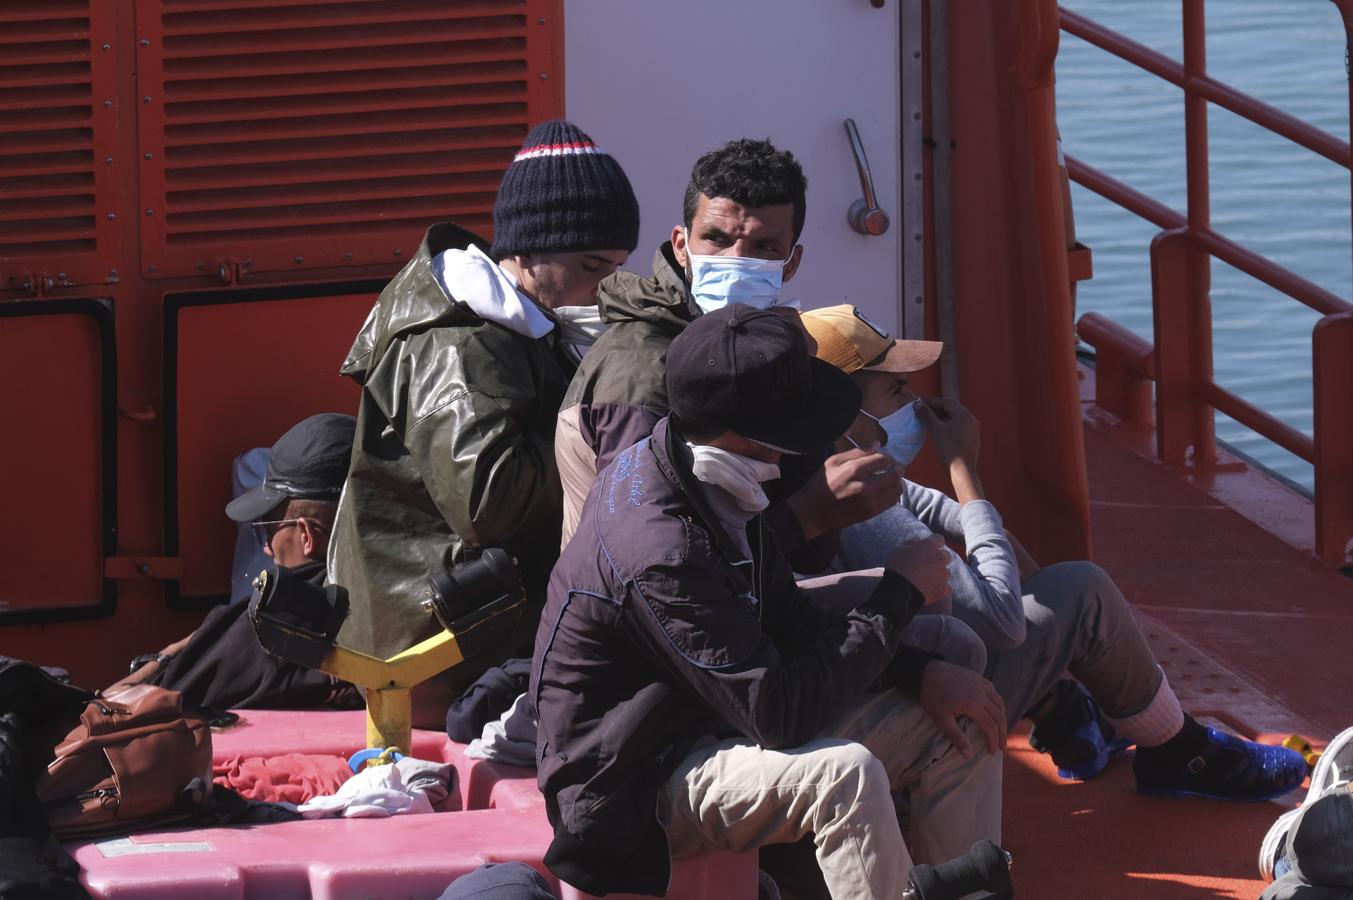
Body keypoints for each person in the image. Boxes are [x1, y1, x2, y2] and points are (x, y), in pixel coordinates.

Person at [532, 305, 1003, 899]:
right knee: (844, 776)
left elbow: (787, 619)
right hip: (632, 783)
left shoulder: (697, 471)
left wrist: (922, 671)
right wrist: (899, 594)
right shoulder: (663, 549)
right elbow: (779, 714)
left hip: (704, 714)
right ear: (748, 436)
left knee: (966, 713)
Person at [801, 303, 1309, 801]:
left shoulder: (833, 470)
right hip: (908, 697)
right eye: (896, 387)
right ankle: (1179, 752)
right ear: (843, 404)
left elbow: (957, 521)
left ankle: (1071, 714)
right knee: (1083, 591)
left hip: (889, 671)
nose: (914, 399)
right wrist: (965, 471)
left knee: (1038, 587)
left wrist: (1051, 626)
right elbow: (1003, 622)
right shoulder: (867, 513)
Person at [326, 120, 640, 719]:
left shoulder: (526, 327)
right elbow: (491, 502)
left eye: (618, 268)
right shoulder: (457, 343)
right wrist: (615, 433)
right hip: (435, 645)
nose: (607, 290)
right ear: (524, 253)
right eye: (592, 265)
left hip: (472, 619)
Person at [554, 138, 900, 562]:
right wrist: (808, 516)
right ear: (682, 246)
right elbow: (654, 558)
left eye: (764, 247)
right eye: (716, 239)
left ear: (791, 262)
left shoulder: (770, 345)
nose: (736, 261)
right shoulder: (642, 366)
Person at [117, 413, 360, 711]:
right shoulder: (410, 607)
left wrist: (169, 653)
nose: (267, 550)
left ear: (307, 535)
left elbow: (116, 708)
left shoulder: (266, 627)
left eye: (266, 532)